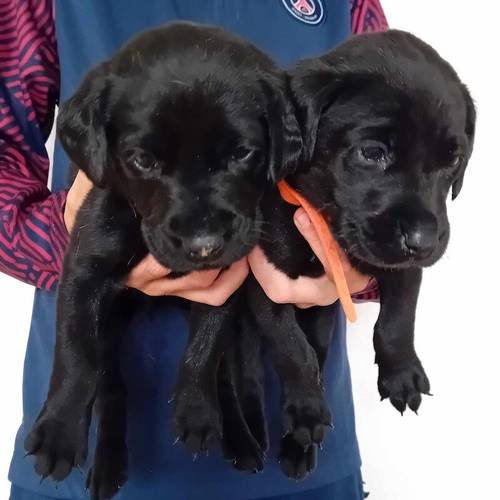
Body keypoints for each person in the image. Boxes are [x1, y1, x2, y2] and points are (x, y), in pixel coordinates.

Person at [0, 1, 387, 499]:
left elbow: (389, 150)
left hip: (298, 447)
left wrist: (360, 262)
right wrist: (79, 239)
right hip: (83, 452)